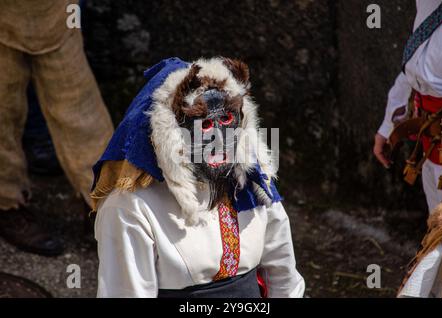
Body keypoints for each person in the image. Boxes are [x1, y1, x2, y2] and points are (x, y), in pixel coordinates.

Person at [92, 57, 305, 298]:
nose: (219, 138)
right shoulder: (131, 208)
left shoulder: (251, 185)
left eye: (225, 120)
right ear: (168, 131)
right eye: (203, 125)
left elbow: (285, 279)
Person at [0, 0, 114, 256]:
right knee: (2, 110)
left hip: (54, 14)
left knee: (80, 108)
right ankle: (6, 203)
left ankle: (104, 202)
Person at [373, 0, 442, 297]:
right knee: (438, 238)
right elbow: (412, 70)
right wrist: (390, 123)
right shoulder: (430, 4)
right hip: (434, 149)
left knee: (441, 240)